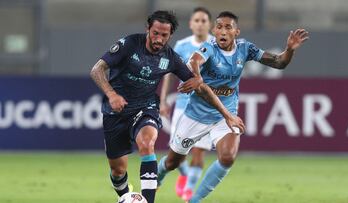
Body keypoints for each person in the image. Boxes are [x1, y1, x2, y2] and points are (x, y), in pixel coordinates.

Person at [90, 10, 244, 203]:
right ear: (148, 29)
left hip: (145, 108)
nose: (158, 39)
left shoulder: (171, 57)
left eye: (164, 35)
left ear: (170, 35)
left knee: (147, 144)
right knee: (118, 171)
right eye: (155, 33)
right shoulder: (129, 44)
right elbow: (97, 69)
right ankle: (127, 196)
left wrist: (226, 113)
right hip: (116, 111)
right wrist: (111, 94)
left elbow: (201, 87)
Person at [157, 11, 309, 203]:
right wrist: (196, 77)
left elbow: (279, 63)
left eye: (228, 27)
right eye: (219, 26)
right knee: (172, 162)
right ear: (214, 30)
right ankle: (158, 175)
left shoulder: (245, 48)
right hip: (197, 115)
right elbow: (195, 61)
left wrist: (290, 49)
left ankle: (194, 200)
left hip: (225, 116)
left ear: (236, 32)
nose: (222, 31)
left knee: (228, 157)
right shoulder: (209, 48)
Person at [159, 7, 214, 201]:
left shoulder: (216, 46)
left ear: (210, 24)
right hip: (183, 105)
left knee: (199, 152)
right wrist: (163, 100)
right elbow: (169, 74)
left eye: (203, 20)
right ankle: (183, 175)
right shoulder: (181, 46)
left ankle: (188, 192)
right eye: (196, 20)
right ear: (191, 24)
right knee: (178, 153)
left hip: (206, 106)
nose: (200, 23)